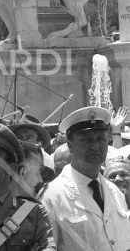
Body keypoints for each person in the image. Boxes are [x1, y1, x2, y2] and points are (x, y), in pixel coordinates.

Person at [41, 106, 130, 250]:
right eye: (86, 140)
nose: (95, 146)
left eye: (101, 139)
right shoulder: (53, 196)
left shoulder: (114, 191)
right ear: (70, 145)